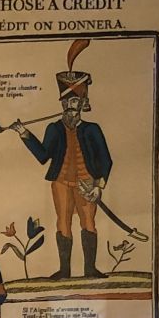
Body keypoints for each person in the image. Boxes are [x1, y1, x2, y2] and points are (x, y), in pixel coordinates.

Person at [12, 37, 113, 278]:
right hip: (61, 182)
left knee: (88, 223)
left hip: (87, 182)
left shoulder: (93, 129)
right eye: (67, 101)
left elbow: (106, 160)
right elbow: (43, 156)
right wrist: (24, 134)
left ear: (83, 104)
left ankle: (90, 269)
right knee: (63, 222)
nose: (70, 106)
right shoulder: (54, 129)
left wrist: (98, 186)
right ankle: (64, 270)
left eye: (74, 101)